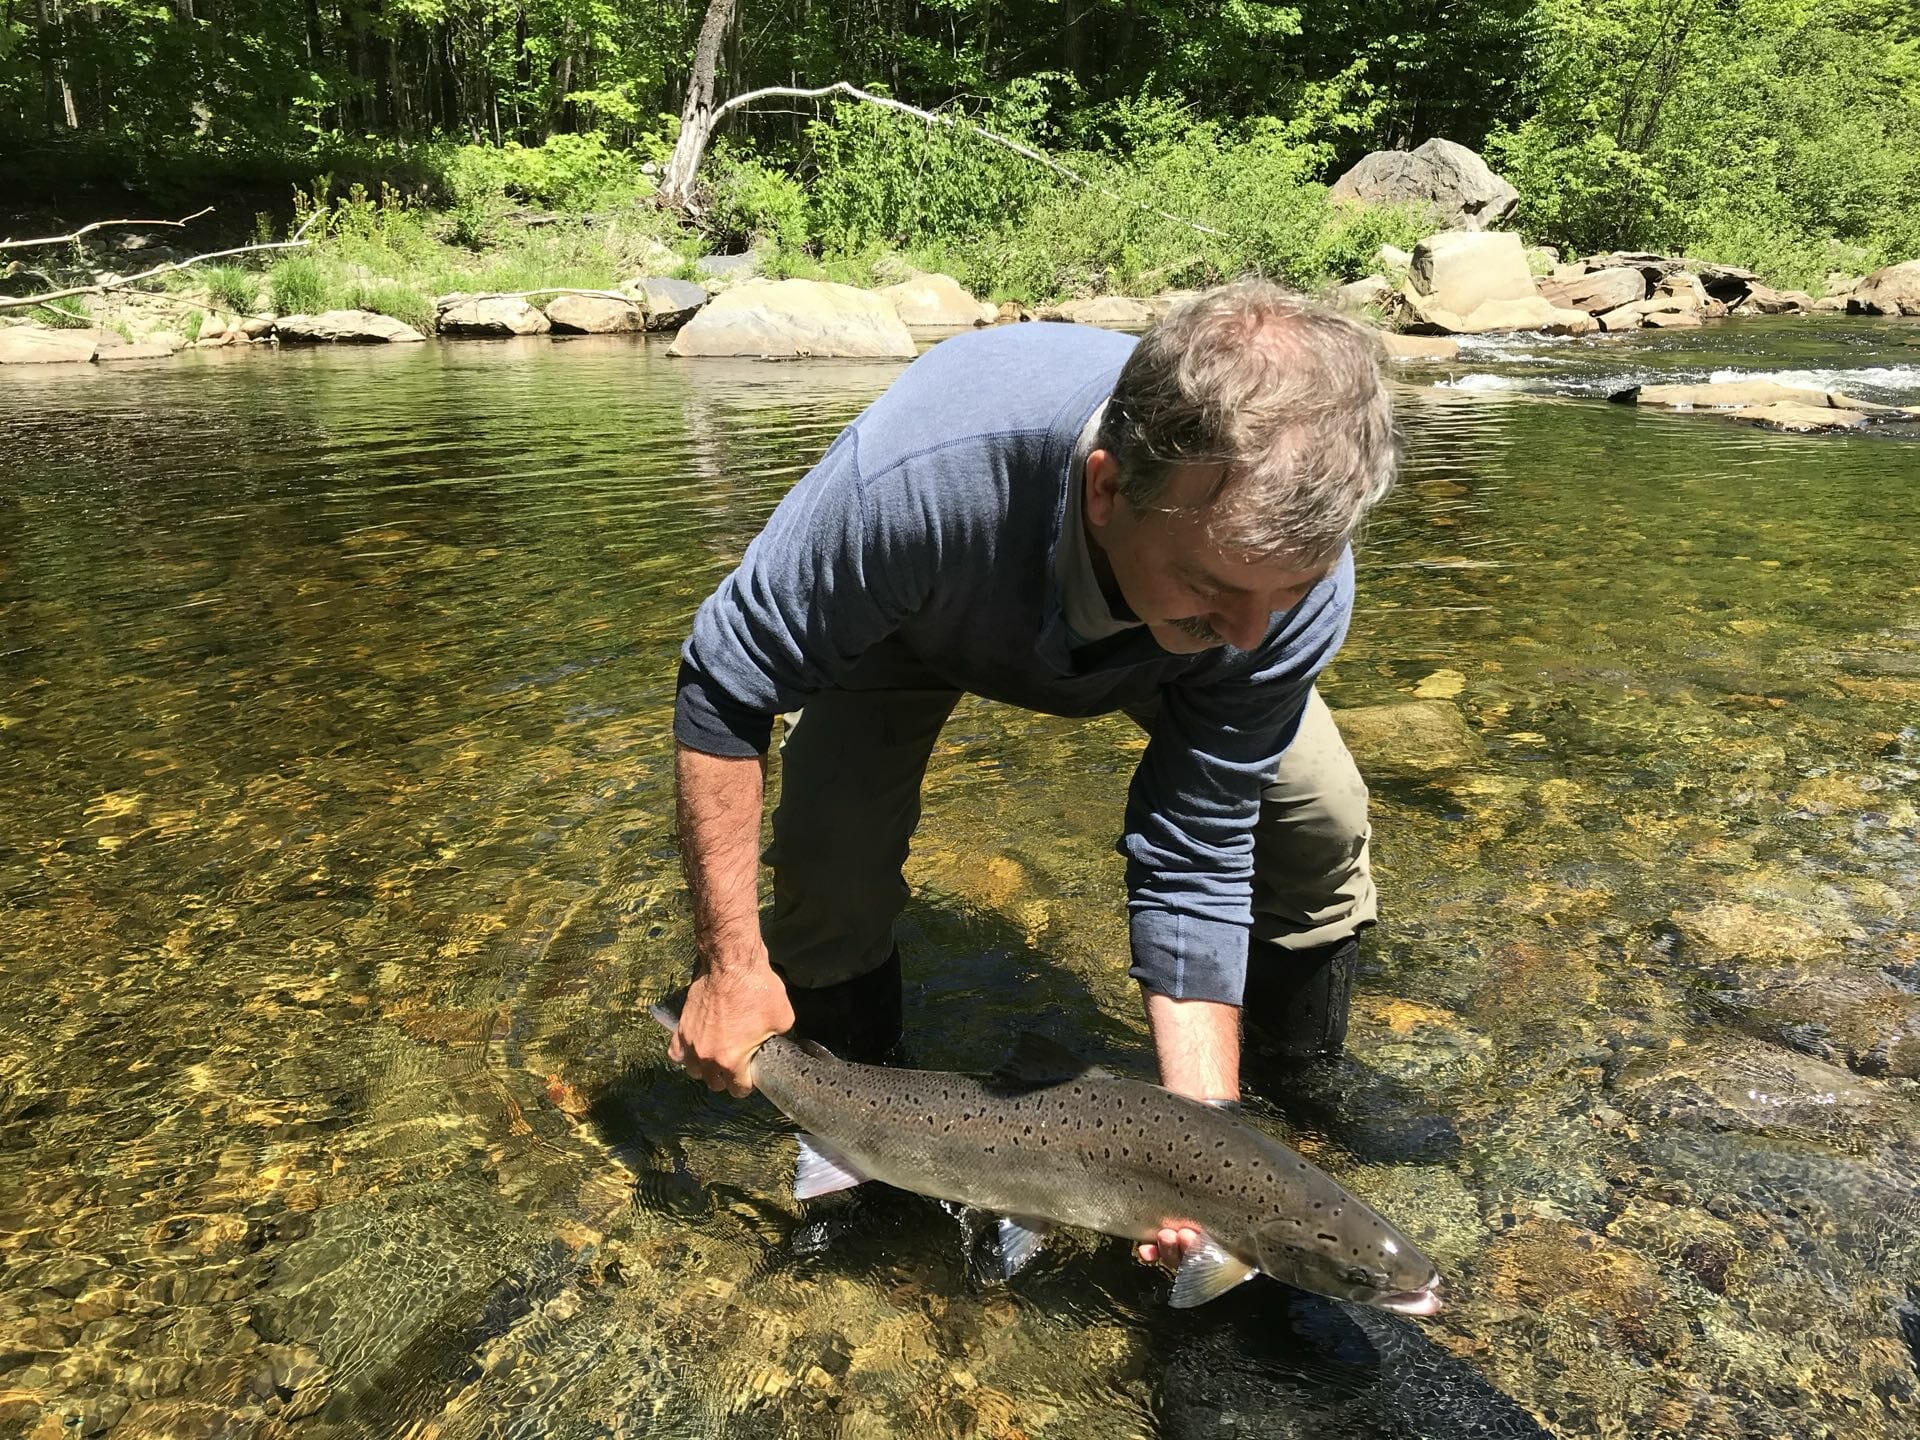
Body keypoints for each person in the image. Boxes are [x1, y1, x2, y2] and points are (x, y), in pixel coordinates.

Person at [665, 281, 1399, 1156]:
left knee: (1317, 820)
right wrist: (730, 967)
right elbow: (724, 684)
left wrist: (1208, 1149)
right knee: (830, 862)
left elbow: (1196, 848)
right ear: (1106, 490)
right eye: (1213, 583)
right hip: (924, 616)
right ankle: (854, 1147)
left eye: (1291, 591)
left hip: (1153, 637)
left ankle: (1294, 1088)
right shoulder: (917, 486)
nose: (1249, 634)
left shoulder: (1275, 583)